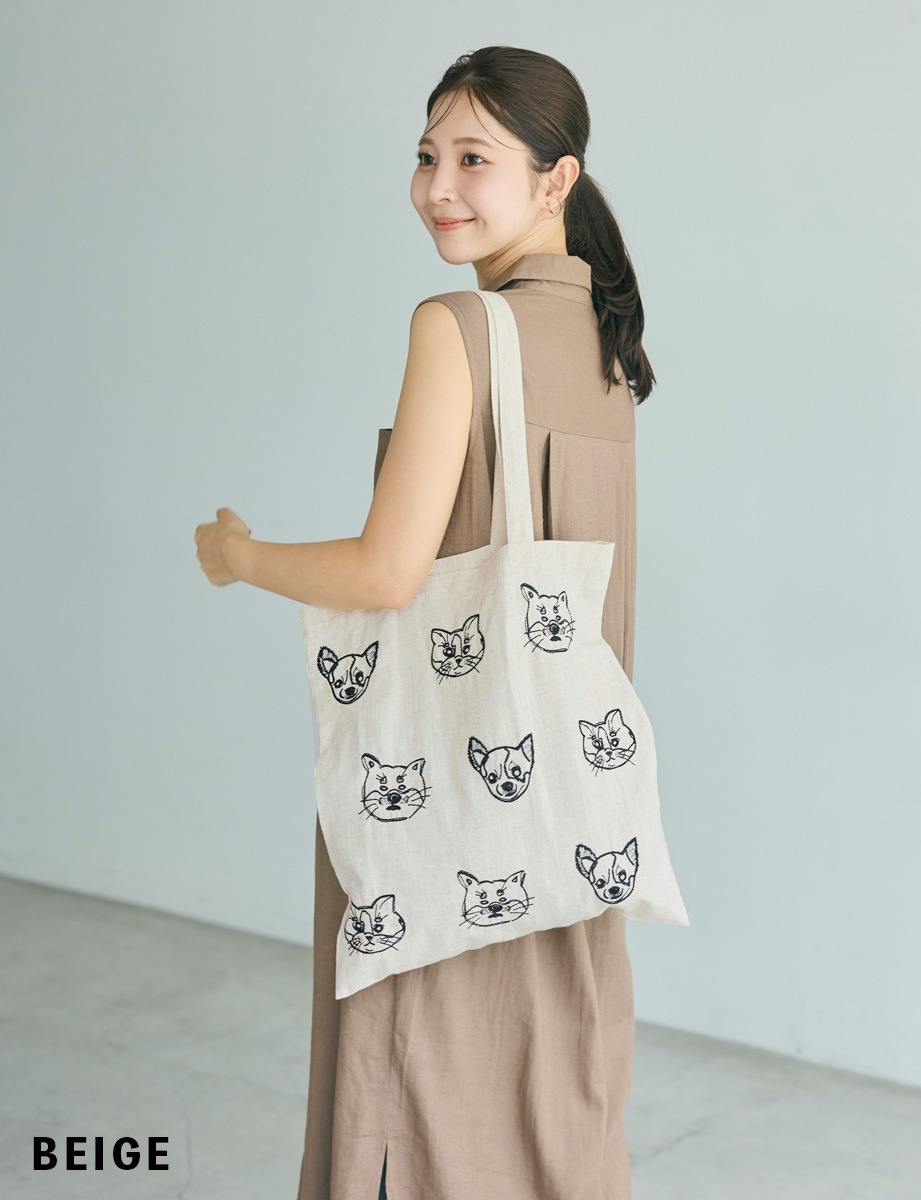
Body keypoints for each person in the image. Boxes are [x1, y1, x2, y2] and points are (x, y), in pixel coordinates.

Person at [195, 44, 657, 1200]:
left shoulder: (458, 324)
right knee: (544, 1090)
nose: (437, 187)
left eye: (473, 159)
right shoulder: (608, 344)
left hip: (449, 779)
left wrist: (239, 557)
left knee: (409, 1081)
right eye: (424, 155)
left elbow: (385, 572)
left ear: (556, 178)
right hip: (564, 795)